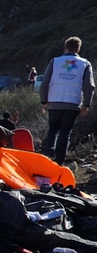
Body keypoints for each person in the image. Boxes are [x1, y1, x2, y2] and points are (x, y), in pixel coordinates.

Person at [40, 36, 95, 165]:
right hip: (72, 103)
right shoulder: (85, 63)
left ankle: (48, 154)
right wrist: (86, 104)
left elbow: (44, 83)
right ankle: (59, 161)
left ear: (65, 48)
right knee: (65, 132)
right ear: (79, 49)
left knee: (53, 129)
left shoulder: (54, 62)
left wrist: (44, 101)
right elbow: (90, 86)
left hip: (54, 102)